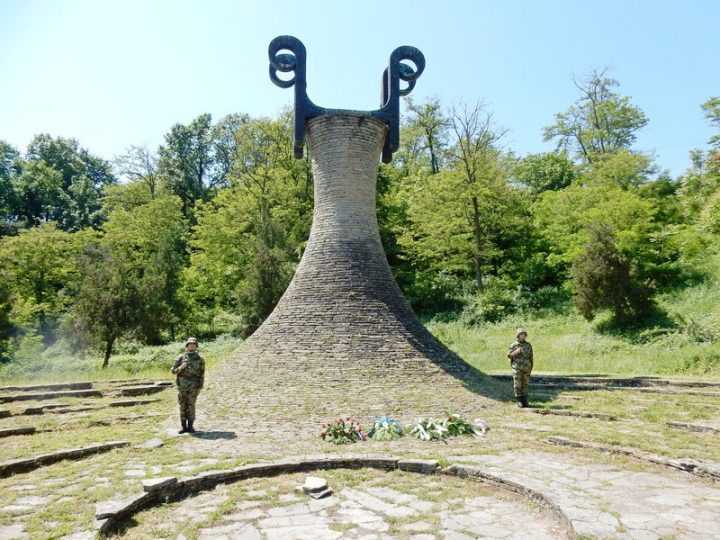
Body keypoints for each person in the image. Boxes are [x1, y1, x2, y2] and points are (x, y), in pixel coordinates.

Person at [171, 337, 205, 433]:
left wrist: (199, 387)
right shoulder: (181, 357)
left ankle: (190, 426)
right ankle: (183, 427)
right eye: (190, 344)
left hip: (193, 387)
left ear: (196, 346)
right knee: (182, 406)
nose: (192, 345)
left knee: (191, 406)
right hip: (182, 386)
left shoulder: (200, 359)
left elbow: (201, 375)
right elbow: (173, 371)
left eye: (194, 344)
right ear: (187, 346)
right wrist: (181, 367)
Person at [507, 328, 533, 408]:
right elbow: (509, 355)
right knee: (517, 385)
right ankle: (519, 401)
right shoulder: (513, 345)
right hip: (517, 368)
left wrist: (531, 366)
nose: (523, 336)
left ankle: (525, 401)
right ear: (518, 335)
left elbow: (531, 357)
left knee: (525, 384)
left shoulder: (528, 345)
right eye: (521, 334)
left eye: (524, 334)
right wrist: (516, 352)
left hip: (526, 368)